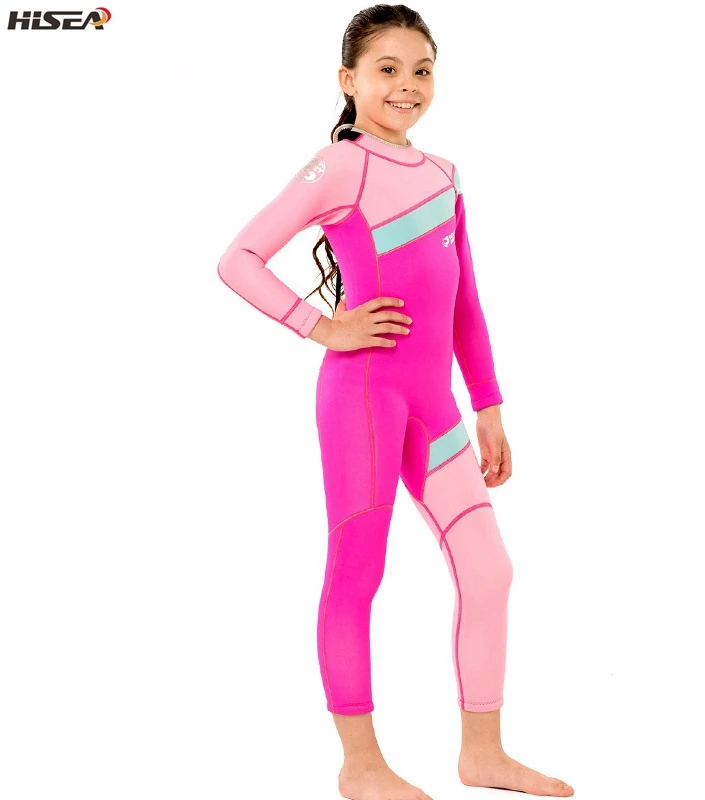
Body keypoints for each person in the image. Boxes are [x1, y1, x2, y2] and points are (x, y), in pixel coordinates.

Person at [217, 5, 574, 799]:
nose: (406, 85)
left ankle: (482, 753)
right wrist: (323, 327)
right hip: (364, 399)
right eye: (387, 69)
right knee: (358, 572)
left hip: (434, 404)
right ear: (348, 80)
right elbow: (238, 258)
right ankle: (361, 764)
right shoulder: (339, 165)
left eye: (422, 70)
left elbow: (465, 300)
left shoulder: (444, 174)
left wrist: (488, 404)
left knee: (489, 571)